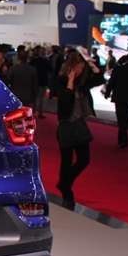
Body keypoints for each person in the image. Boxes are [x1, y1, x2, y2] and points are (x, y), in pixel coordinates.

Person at [56, 51, 100, 210]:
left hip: (80, 125)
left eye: (82, 67)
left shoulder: (82, 83)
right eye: (79, 68)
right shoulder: (61, 80)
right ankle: (67, 193)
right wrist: (70, 81)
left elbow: (99, 78)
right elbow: (65, 103)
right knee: (66, 161)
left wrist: (90, 63)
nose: (81, 71)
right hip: (66, 125)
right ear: (71, 67)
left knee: (84, 160)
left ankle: (64, 182)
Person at [30, 46, 52, 118]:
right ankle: (40, 113)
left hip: (35, 80)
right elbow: (50, 69)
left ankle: (34, 112)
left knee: (35, 97)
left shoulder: (34, 60)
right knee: (42, 98)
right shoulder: (46, 61)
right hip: (44, 81)